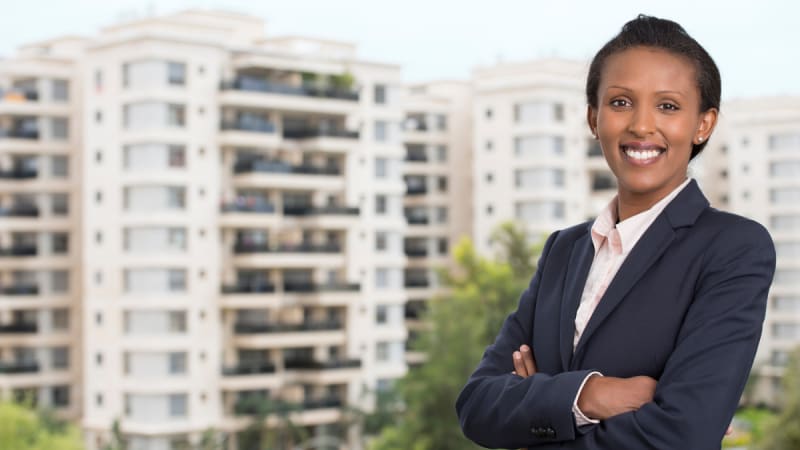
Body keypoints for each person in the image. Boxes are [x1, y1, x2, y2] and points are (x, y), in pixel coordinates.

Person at [455, 15, 776, 450]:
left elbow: (684, 435)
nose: (641, 125)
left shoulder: (733, 248)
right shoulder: (563, 251)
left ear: (703, 124)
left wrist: (537, 409)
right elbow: (476, 406)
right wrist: (588, 395)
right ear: (594, 117)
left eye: (668, 106)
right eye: (621, 102)